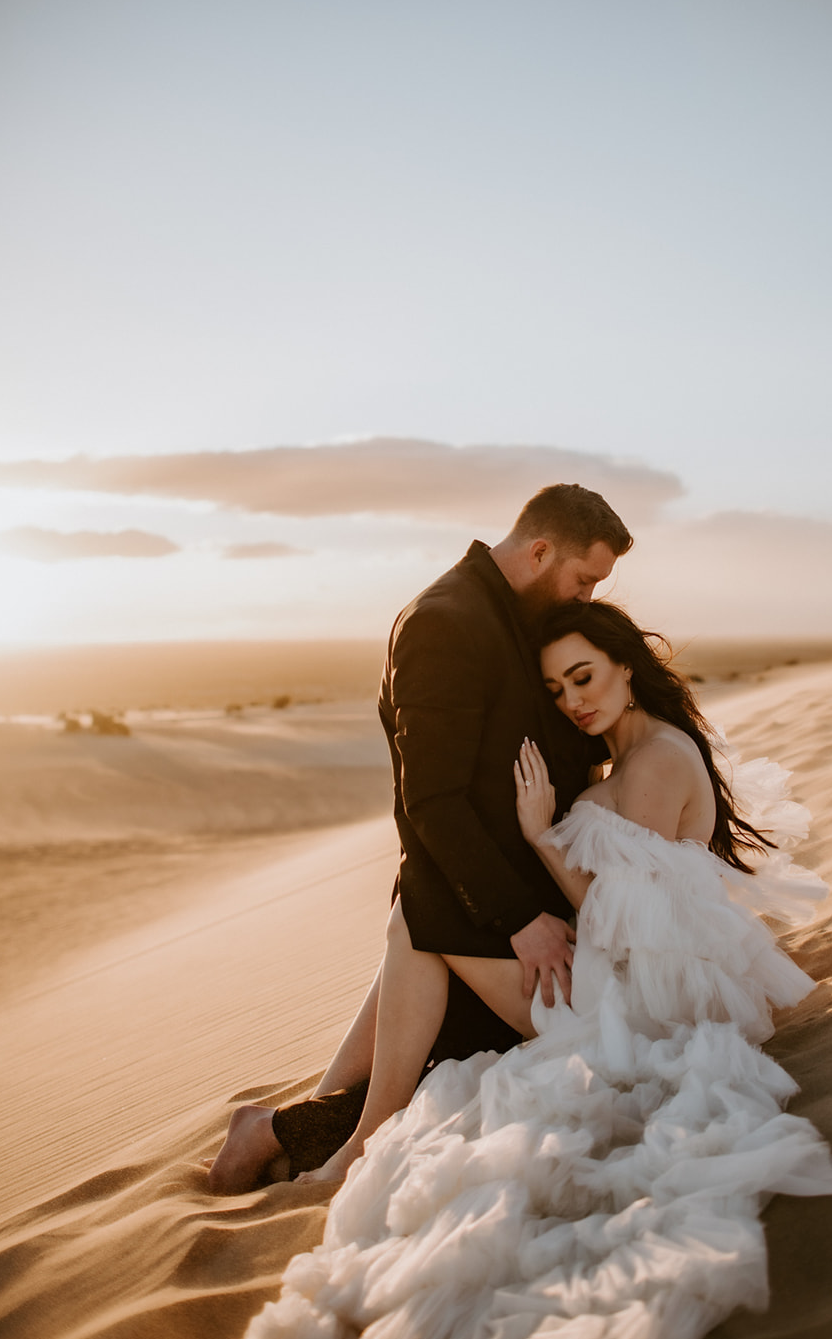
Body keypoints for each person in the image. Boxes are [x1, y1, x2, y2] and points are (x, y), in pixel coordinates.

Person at [208, 603, 832, 1339]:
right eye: (558, 688)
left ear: (626, 664)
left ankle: (345, 1130)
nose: (574, 699)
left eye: (585, 677)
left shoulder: (657, 759)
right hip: (614, 978)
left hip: (621, 997)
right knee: (419, 916)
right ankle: (318, 1117)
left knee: (420, 917)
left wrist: (542, 837)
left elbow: (624, 918)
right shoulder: (624, 750)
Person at [206, 484, 633, 1193]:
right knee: (459, 1073)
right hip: (472, 908)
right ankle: (271, 1136)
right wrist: (518, 919)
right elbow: (430, 800)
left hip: (506, 897)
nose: (584, 598)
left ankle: (281, 1136)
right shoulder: (446, 621)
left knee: (448, 1070)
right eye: (583, 580)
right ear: (538, 551)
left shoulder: (514, 614)